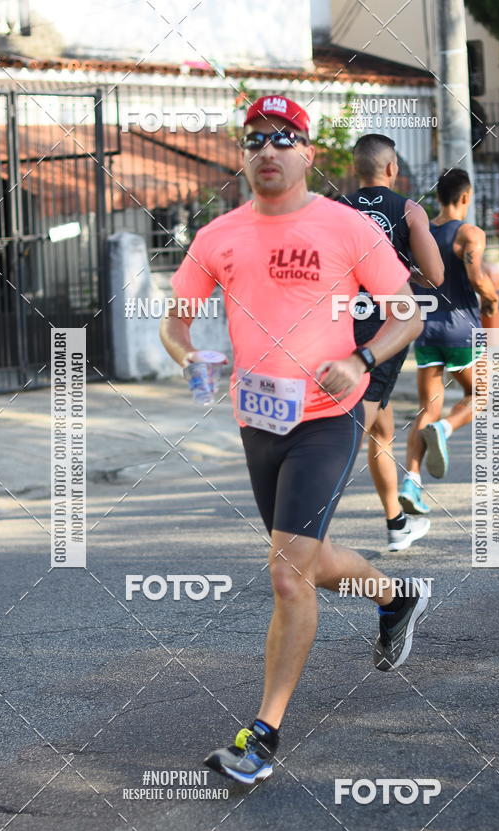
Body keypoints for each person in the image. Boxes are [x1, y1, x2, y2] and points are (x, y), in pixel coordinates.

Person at [161, 95, 427, 786]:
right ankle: (395, 595)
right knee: (302, 557)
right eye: (255, 139)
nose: (268, 150)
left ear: (308, 153)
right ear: (243, 154)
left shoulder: (346, 226)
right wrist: (188, 355)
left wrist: (363, 359)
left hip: (329, 414)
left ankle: (262, 736)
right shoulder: (218, 235)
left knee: (286, 571)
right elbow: (176, 319)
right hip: (258, 419)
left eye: (283, 138)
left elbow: (406, 315)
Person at [338, 134, 444, 551]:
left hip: (339, 324)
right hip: (385, 331)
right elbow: (435, 275)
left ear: (356, 168)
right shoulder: (409, 210)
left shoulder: (335, 209)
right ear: (391, 168)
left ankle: (396, 522)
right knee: (351, 431)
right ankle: (304, 522)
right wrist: (406, 274)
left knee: (382, 427)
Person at [400, 168, 499, 513]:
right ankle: (445, 428)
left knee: (427, 407)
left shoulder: (421, 233)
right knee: (481, 395)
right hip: (461, 331)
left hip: (425, 330)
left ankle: (411, 483)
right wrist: (492, 298)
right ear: (466, 197)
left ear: (439, 196)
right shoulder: (469, 233)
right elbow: (477, 279)